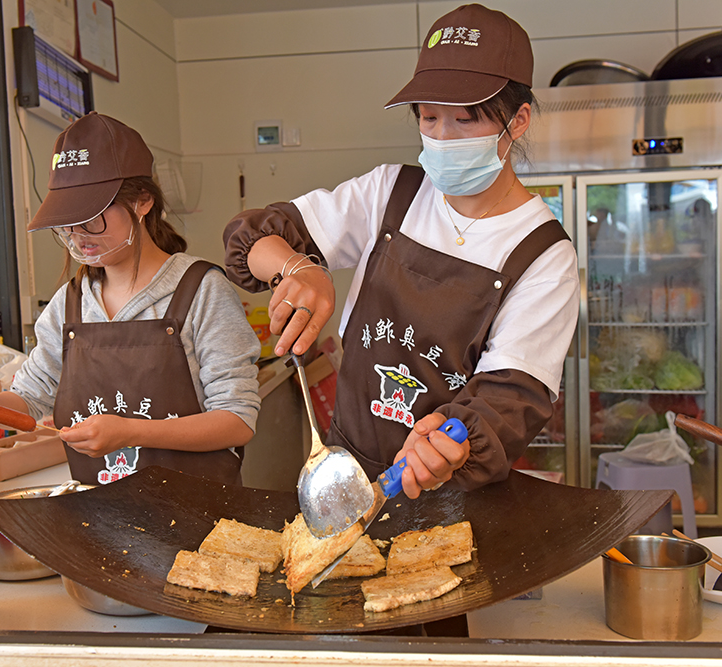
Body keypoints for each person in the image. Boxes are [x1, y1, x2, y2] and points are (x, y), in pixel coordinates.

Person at [223, 4, 579, 500]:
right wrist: (297, 266)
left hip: (453, 497)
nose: (441, 138)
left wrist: (449, 444)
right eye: (429, 118)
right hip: (344, 476)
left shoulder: (543, 255)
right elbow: (253, 235)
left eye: (466, 120)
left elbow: (509, 400)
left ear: (517, 121)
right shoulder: (389, 193)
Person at [0, 112, 261, 486]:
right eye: (67, 221)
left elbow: (237, 419)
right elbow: (30, 397)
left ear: (142, 201)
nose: (78, 235)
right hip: (99, 517)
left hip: (199, 519)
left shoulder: (201, 290)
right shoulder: (69, 305)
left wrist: (131, 433)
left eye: (93, 216)